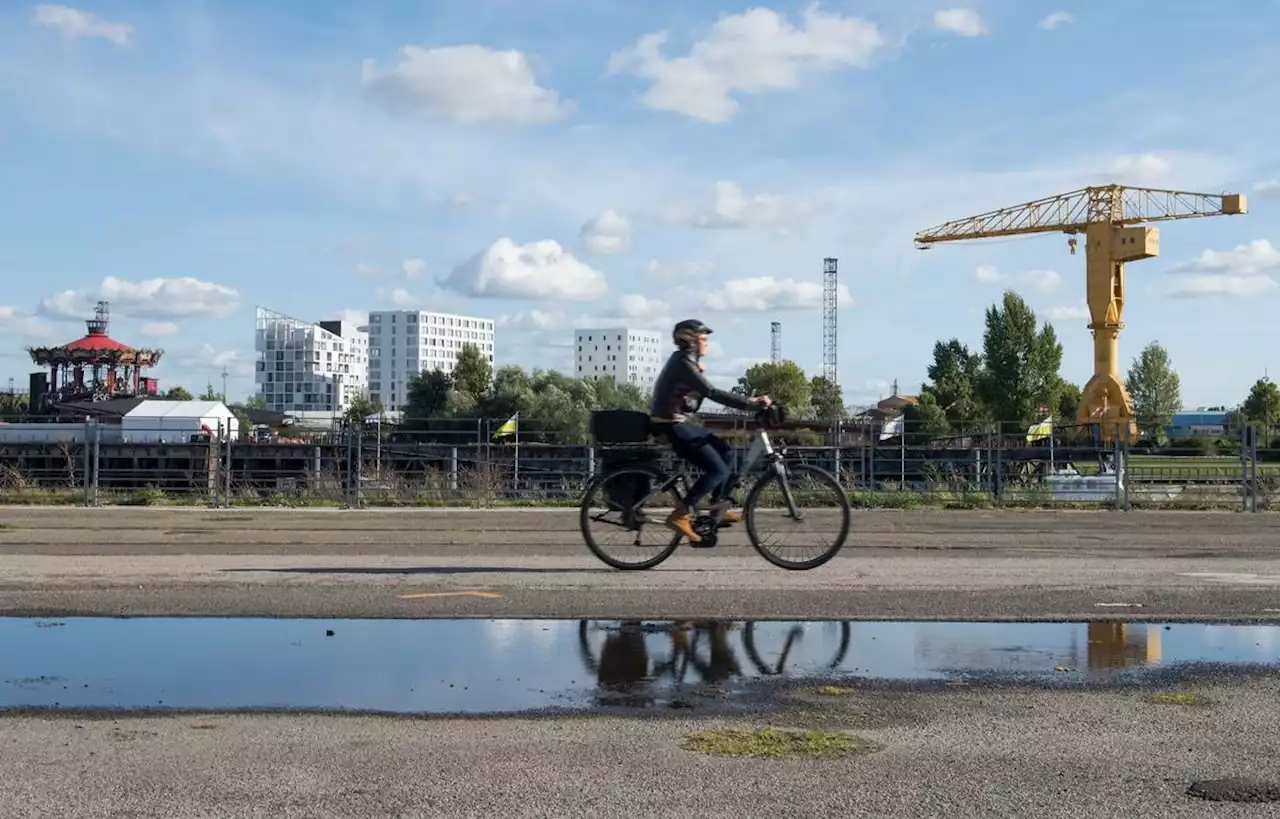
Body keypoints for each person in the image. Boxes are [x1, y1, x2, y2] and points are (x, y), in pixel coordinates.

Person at [649, 319, 771, 543]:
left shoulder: (688, 362)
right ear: (690, 341)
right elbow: (711, 392)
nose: (706, 344)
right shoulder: (682, 364)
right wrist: (750, 403)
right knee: (719, 470)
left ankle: (717, 510)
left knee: (727, 453)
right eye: (703, 339)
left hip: (679, 422)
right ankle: (681, 513)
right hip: (670, 424)